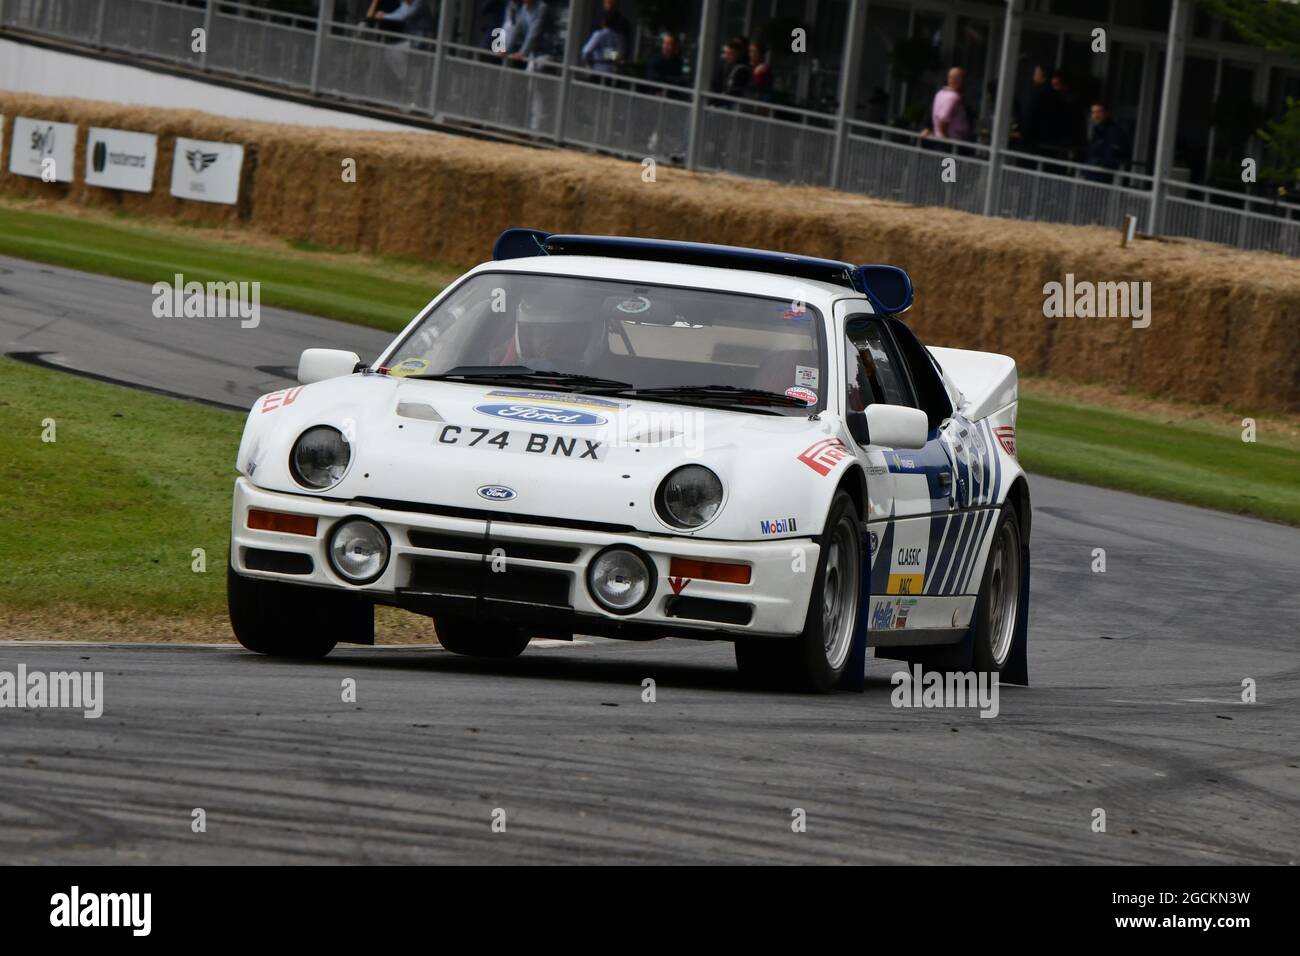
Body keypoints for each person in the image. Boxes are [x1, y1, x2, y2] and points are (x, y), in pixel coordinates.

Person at [1084, 102, 1131, 182]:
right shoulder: (1096, 130)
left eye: (1099, 112)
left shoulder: (1114, 132)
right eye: (1093, 112)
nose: (1096, 115)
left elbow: (1112, 155)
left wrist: (1100, 165)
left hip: (1104, 176)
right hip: (1091, 173)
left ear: (1107, 113)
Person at [924, 66, 972, 143]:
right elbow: (943, 119)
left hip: (941, 139)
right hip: (952, 142)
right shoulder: (953, 97)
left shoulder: (940, 93)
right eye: (960, 78)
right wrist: (946, 139)